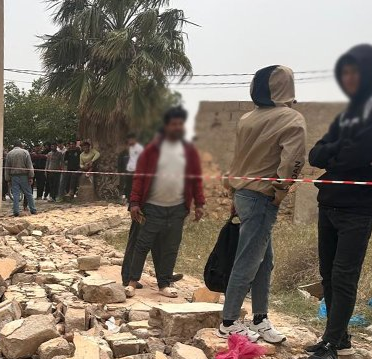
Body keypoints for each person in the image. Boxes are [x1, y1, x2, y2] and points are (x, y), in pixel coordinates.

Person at [304, 44, 372, 359]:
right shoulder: (347, 114)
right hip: (329, 201)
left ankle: (331, 345)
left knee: (344, 276)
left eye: (355, 71)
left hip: (359, 207)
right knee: (328, 275)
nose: (348, 78)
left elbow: (357, 155)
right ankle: (340, 336)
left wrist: (337, 153)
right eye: (344, 72)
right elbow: (315, 154)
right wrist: (342, 150)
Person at [217, 65, 307, 343]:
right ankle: (229, 321)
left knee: (264, 261)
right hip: (262, 197)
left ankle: (259, 318)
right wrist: (281, 191)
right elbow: (293, 161)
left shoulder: (247, 118)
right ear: (287, 86)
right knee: (248, 260)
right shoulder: (291, 118)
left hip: (243, 193)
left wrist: (235, 192)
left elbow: (239, 158)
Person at [122, 107, 205, 299]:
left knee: (170, 248)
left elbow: (196, 179)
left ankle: (164, 284)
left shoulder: (189, 152)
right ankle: (132, 283)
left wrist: (199, 203)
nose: (177, 127)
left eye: (180, 124)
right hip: (152, 208)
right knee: (142, 245)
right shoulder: (151, 151)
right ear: (166, 126)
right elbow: (139, 177)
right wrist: (134, 202)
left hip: (177, 209)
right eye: (173, 124)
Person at [5, 141, 37, 217]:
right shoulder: (25, 152)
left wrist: (7, 179)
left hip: (13, 176)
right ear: (21, 145)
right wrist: (31, 176)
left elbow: (7, 168)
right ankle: (33, 210)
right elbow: (29, 165)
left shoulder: (9, 154)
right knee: (28, 193)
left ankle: (16, 211)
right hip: (24, 176)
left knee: (15, 194)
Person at [124, 134, 144, 201]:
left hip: (136, 170)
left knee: (135, 185)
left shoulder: (140, 148)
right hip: (129, 169)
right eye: (128, 140)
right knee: (128, 185)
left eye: (130, 140)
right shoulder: (130, 147)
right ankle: (128, 199)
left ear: (133, 139)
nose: (129, 141)